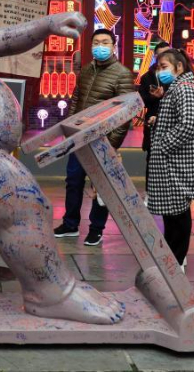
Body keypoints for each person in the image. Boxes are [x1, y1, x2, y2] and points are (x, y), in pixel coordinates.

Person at [53, 29, 135, 246]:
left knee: (101, 186)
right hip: (79, 137)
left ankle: (96, 229)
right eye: (96, 42)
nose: (100, 46)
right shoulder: (87, 70)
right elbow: (76, 100)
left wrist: (112, 144)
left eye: (105, 42)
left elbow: (124, 115)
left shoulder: (122, 74)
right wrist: (68, 129)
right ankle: (70, 224)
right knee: (73, 181)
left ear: (113, 45)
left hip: (103, 140)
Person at [146, 49, 194, 272]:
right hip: (174, 165)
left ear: (179, 67)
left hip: (178, 166)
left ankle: (176, 261)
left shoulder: (185, 90)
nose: (159, 71)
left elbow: (189, 125)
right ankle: (172, 260)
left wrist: (162, 145)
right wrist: (159, 121)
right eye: (158, 67)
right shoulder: (177, 89)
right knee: (173, 216)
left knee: (178, 216)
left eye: (164, 67)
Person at [138, 42, 171, 186]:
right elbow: (140, 101)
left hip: (171, 126)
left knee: (171, 163)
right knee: (152, 161)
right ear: (155, 56)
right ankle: (150, 194)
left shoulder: (175, 75)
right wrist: (154, 97)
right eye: (161, 54)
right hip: (153, 125)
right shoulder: (147, 77)